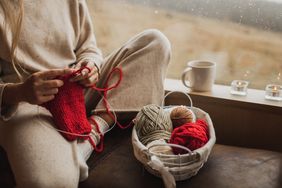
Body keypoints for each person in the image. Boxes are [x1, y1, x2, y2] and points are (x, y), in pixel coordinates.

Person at [0, 0, 171, 187]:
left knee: (155, 42)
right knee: (51, 182)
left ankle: (94, 131)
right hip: (30, 104)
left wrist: (91, 65)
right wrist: (19, 92)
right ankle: (72, 150)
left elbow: (88, 47)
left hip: (78, 89)